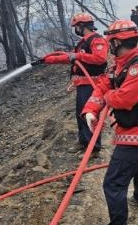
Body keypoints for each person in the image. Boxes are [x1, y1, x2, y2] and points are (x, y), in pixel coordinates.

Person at [82, 20, 138, 225]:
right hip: (132, 130)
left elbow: (122, 99)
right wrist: (91, 108)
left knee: (113, 183)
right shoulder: (119, 63)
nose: (108, 46)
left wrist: (107, 99)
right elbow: (102, 84)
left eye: (111, 42)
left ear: (117, 42)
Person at [41, 13, 109, 156]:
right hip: (82, 84)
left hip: (93, 84)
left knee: (89, 114)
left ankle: (94, 148)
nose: (76, 29)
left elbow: (100, 58)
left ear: (82, 26)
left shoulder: (97, 40)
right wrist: (47, 60)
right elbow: (69, 58)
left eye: (77, 26)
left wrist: (78, 56)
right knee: (80, 114)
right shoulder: (83, 42)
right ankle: (84, 142)